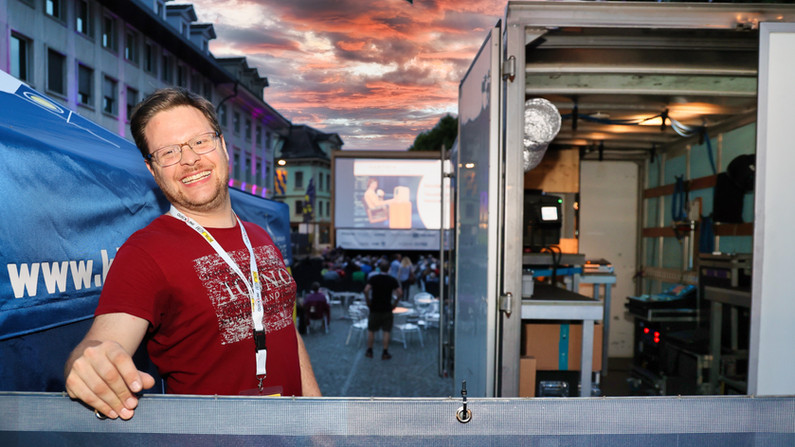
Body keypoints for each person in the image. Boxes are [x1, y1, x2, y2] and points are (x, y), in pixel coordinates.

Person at [63, 88, 320, 420]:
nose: (189, 159)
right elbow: (102, 343)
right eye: (168, 152)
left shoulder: (259, 237)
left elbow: (285, 329)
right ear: (152, 169)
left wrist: (319, 422)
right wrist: (88, 365)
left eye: (200, 142)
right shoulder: (144, 252)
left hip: (290, 433)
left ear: (222, 146)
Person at [363, 260, 402, 360]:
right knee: (386, 331)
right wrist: (395, 303)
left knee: (371, 330)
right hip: (387, 308)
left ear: (379, 268)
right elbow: (400, 293)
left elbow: (366, 290)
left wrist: (368, 300)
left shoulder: (373, 278)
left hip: (375, 307)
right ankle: (385, 352)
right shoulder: (392, 280)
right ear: (389, 269)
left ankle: (369, 350)